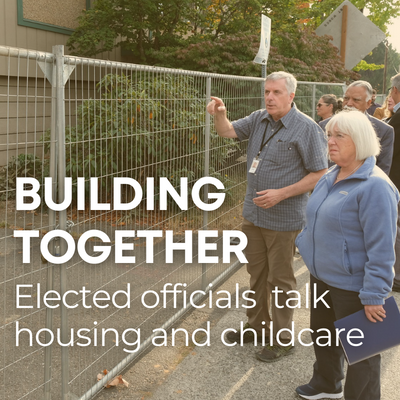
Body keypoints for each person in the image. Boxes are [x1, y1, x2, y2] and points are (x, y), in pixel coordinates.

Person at [206, 71, 327, 362]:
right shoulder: (259, 118)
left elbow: (320, 173)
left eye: (276, 92)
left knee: (281, 278)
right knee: (256, 274)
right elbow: (227, 131)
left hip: (284, 219)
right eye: (267, 92)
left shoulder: (306, 128)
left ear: (291, 96)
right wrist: (220, 114)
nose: (270, 97)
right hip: (254, 215)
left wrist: (282, 193)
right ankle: (258, 325)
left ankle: (283, 336)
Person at [295, 110, 399, 400]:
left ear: (361, 140)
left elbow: (382, 248)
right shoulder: (332, 173)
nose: (331, 141)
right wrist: (304, 242)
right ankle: (328, 382)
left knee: (364, 354)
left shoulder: (376, 186)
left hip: (355, 286)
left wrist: (375, 295)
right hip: (322, 277)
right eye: (330, 134)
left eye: (340, 135)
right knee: (323, 335)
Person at [320, 80, 394, 175]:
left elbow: (383, 170)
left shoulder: (384, 131)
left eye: (356, 100)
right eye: (346, 98)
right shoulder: (324, 126)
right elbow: (319, 165)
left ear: (368, 103)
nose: (349, 103)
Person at [388, 73, 400, 293]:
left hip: (396, 181)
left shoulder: (397, 118)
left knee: (395, 228)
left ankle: (396, 275)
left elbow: (391, 151)